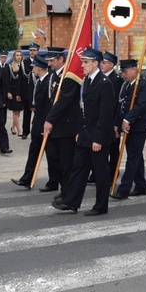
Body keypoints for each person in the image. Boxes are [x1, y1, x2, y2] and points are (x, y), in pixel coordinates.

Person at [52, 48, 115, 215]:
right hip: (86, 134)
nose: (83, 65)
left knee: (100, 172)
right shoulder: (87, 81)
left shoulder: (104, 83)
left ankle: (101, 206)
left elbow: (105, 114)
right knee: (78, 169)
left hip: (98, 137)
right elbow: (84, 110)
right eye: (83, 61)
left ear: (96, 63)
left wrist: (98, 139)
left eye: (86, 62)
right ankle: (71, 202)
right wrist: (81, 130)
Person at [109, 59, 146, 200]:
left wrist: (127, 120)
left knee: (132, 158)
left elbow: (141, 105)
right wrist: (117, 124)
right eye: (123, 72)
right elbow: (121, 107)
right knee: (136, 156)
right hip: (128, 127)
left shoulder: (144, 85)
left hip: (139, 126)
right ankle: (141, 186)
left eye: (126, 72)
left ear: (135, 70)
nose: (124, 75)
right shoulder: (127, 86)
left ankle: (124, 189)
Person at [42, 47, 81, 195]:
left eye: (52, 61)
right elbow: (51, 101)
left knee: (67, 162)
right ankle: (60, 187)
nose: (49, 64)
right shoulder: (55, 76)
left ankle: (68, 192)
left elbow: (63, 101)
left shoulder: (69, 77)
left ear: (61, 59)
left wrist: (50, 120)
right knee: (54, 157)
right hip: (56, 126)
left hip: (67, 126)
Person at [11, 54, 51, 188]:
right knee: (33, 152)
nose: (32, 70)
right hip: (37, 123)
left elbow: (49, 107)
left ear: (39, 68)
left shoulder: (49, 82)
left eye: (34, 68)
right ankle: (27, 179)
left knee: (52, 156)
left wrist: (46, 125)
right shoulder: (39, 81)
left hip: (45, 125)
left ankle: (55, 181)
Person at [94, 51, 122, 184]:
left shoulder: (117, 80)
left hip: (111, 120)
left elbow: (115, 104)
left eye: (104, 63)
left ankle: (113, 174)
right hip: (100, 120)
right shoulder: (100, 78)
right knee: (100, 150)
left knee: (113, 150)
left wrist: (116, 123)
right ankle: (96, 174)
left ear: (111, 65)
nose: (101, 65)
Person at [20, 42, 39, 140]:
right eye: (31, 50)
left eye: (34, 50)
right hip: (27, 92)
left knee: (38, 113)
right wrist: (19, 93)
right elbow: (21, 78)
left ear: (37, 51)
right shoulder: (24, 63)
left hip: (37, 92)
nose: (32, 52)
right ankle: (25, 132)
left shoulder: (40, 62)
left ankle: (37, 131)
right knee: (26, 114)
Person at [6, 49, 26, 136]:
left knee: (19, 111)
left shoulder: (23, 66)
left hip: (21, 91)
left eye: (20, 55)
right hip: (13, 91)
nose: (18, 57)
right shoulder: (10, 66)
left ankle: (13, 127)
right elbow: (7, 81)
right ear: (14, 57)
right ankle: (19, 130)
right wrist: (8, 92)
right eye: (17, 55)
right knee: (15, 111)